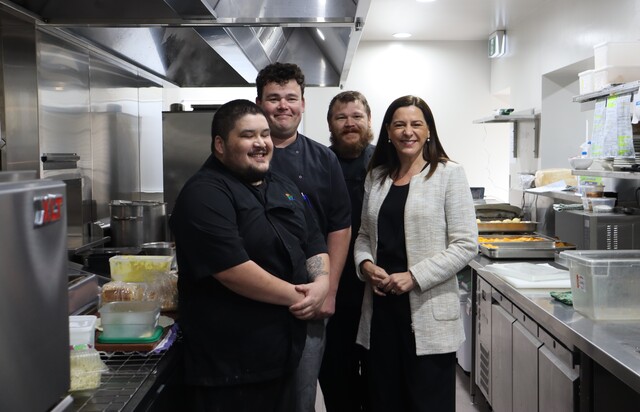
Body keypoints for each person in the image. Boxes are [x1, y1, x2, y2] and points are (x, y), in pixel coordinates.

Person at [169, 99, 330, 412]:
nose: (261, 143)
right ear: (220, 145)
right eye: (248, 135)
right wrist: (302, 297)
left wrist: (322, 282)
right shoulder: (203, 194)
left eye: (265, 134)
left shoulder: (281, 185)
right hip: (230, 370)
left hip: (282, 357)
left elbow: (313, 240)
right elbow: (233, 269)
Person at [354, 95, 478, 412]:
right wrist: (365, 264)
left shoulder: (449, 174)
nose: (407, 131)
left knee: (428, 403)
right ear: (387, 132)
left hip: (428, 312)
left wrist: (414, 277)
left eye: (416, 124)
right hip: (381, 312)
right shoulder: (377, 177)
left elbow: (465, 244)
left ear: (428, 131)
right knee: (382, 401)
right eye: (399, 125)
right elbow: (364, 234)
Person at [256, 62, 352, 412]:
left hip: (309, 297)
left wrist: (330, 290)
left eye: (291, 98)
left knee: (301, 397)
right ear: (259, 103)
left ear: (303, 104)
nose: (283, 105)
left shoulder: (324, 159)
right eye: (274, 98)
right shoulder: (245, 157)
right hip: (253, 300)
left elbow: (339, 227)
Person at [319, 91, 375, 412]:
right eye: (341, 117)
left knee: (379, 381)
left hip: (377, 290)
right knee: (337, 378)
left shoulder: (387, 163)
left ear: (369, 121)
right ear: (330, 124)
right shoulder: (318, 163)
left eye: (356, 116)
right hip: (333, 290)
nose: (349, 123)